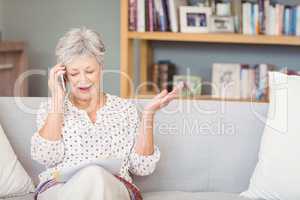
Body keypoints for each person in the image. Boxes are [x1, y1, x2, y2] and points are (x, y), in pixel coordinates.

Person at [30, 27, 182, 200]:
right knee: (90, 176)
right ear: (64, 74)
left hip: (112, 188)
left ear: (101, 68)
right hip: (60, 189)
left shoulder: (125, 109)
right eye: (74, 73)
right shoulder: (50, 109)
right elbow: (45, 156)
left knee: (95, 175)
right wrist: (57, 99)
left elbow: (142, 168)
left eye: (89, 71)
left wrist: (148, 116)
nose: (83, 80)